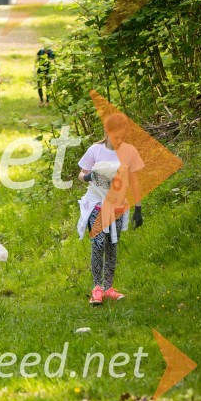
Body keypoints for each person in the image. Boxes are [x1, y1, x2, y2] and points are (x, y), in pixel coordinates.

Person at [76, 112, 144, 306]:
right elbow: (81, 173)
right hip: (96, 203)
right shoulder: (95, 150)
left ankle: (109, 288)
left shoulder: (129, 151)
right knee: (97, 244)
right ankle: (97, 288)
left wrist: (138, 208)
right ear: (107, 131)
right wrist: (87, 177)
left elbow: (135, 180)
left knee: (111, 245)